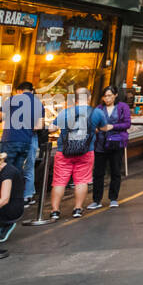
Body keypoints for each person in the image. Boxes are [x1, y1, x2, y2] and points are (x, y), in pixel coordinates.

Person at [49, 89, 95, 221]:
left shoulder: (65, 112)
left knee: (59, 181)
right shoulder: (95, 113)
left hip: (64, 152)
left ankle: (55, 211)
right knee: (82, 180)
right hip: (86, 152)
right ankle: (77, 209)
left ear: (74, 99)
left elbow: (51, 128)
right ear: (89, 98)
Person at [0, 81, 44, 204]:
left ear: (19, 91)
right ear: (32, 90)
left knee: (3, 169)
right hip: (26, 141)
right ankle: (15, 199)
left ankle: (3, 199)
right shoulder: (38, 103)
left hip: (10, 139)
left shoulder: (12, 100)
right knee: (17, 171)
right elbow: (39, 126)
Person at [87, 86, 131, 210]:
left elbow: (127, 123)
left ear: (116, 95)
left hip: (116, 143)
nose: (107, 98)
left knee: (115, 171)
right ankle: (96, 200)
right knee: (98, 173)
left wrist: (113, 126)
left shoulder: (123, 107)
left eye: (110, 95)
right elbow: (92, 123)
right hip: (101, 143)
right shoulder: (99, 108)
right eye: (105, 96)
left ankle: (113, 198)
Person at [0, 152, 24, 241]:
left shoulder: (8, 173)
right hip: (5, 205)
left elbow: (4, 199)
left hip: (11, 209)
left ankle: (6, 224)